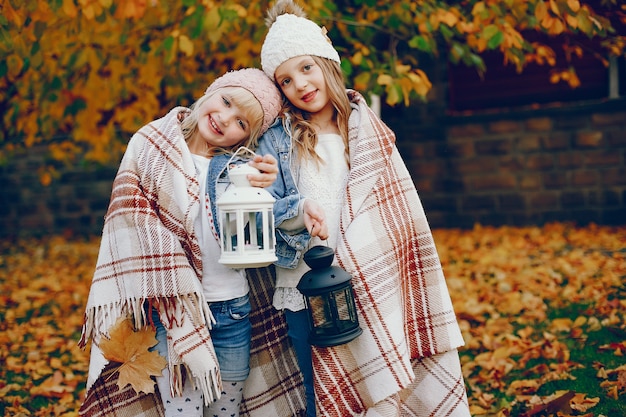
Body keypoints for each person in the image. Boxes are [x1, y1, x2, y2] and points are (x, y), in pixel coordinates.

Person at [243, 1, 472, 416]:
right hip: (305, 288)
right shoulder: (280, 139)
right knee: (323, 393)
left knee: (377, 387)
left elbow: (394, 213)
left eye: (307, 68)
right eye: (286, 80)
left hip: (369, 276)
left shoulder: (367, 131)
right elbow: (267, 204)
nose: (300, 84)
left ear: (328, 63)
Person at [78, 68, 283, 417]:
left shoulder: (241, 170)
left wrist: (267, 187)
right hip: (172, 312)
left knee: (227, 411)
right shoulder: (152, 147)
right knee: (181, 412)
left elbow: (268, 224)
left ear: (246, 138)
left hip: (232, 309)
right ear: (210, 93)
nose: (224, 119)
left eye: (241, 122)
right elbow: (130, 219)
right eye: (226, 101)